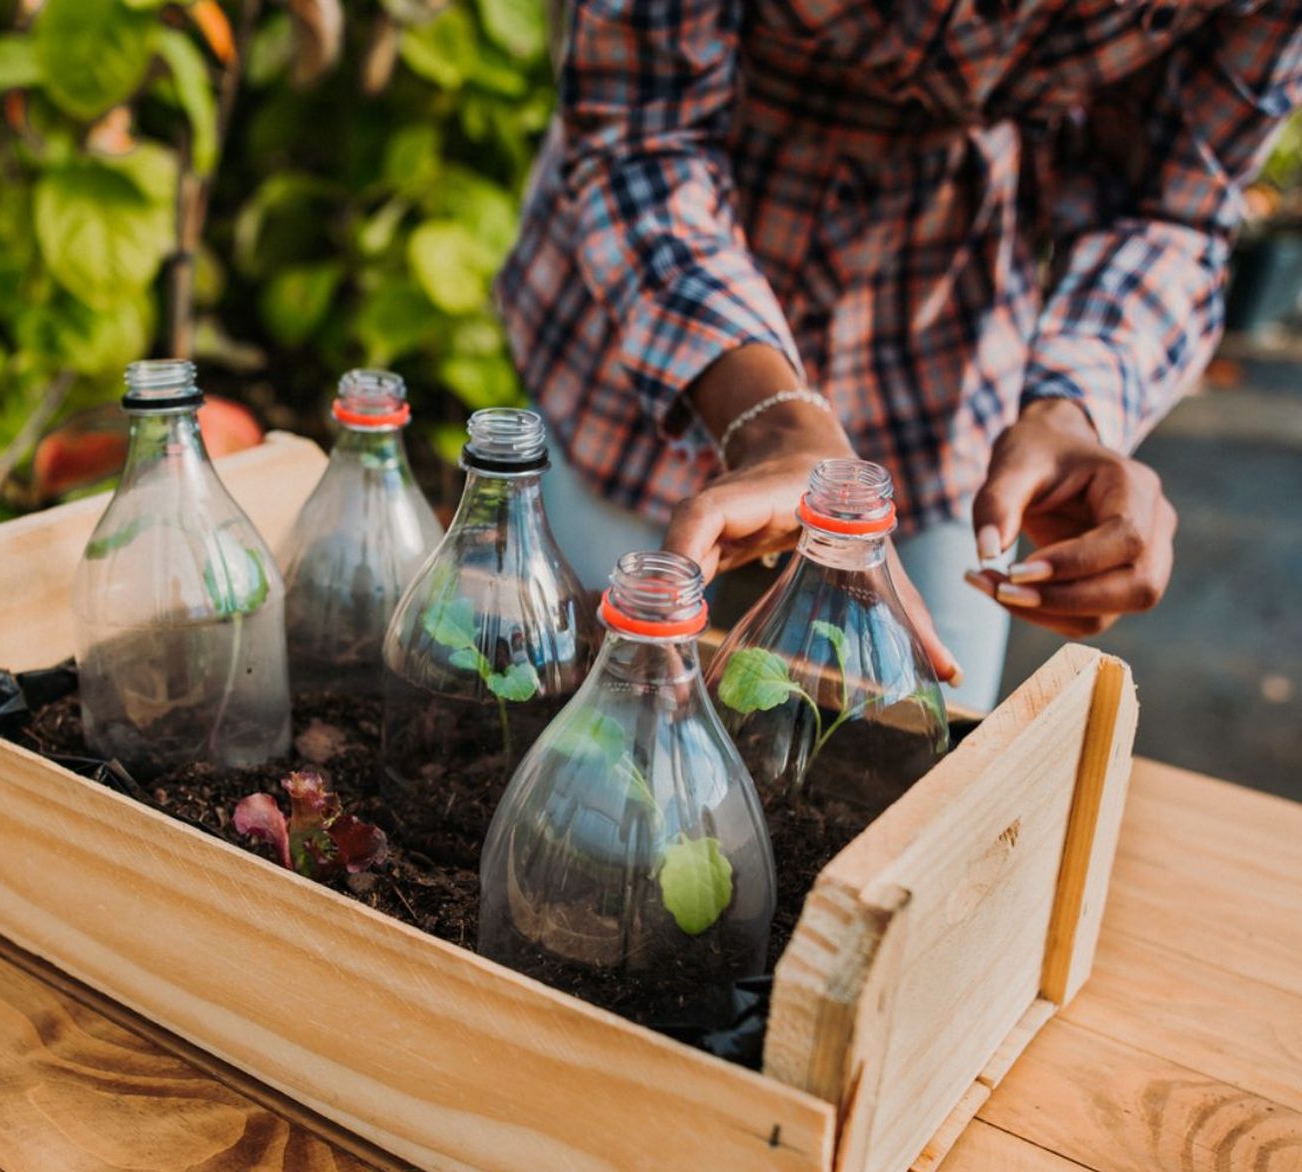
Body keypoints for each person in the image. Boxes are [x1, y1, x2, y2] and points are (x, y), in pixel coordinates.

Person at [496, 0, 1302, 711]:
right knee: (581, 672)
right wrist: (771, 420)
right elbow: (642, 129)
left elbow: (1169, 204)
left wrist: (1074, 409)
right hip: (662, 294)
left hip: (947, 325)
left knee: (920, 717)